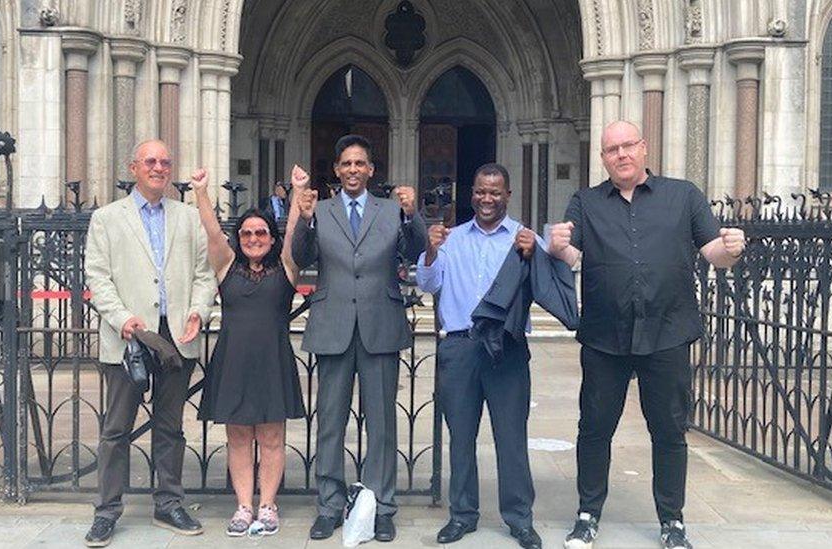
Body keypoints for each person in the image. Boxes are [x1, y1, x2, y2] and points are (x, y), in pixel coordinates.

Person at [549, 121, 746, 549]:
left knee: (669, 431)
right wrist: (558, 245)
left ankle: (672, 521)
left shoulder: (684, 196)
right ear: (602, 158)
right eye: (611, 150)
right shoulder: (585, 202)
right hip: (605, 335)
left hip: (667, 332)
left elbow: (713, 251)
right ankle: (587, 514)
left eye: (627, 146)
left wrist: (730, 250)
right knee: (595, 429)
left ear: (643, 148)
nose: (620, 155)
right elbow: (571, 255)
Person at [291, 134, 427, 542]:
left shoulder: (390, 210)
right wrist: (305, 218)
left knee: (382, 425)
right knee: (330, 421)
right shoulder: (322, 208)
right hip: (333, 324)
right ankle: (330, 505)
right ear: (336, 170)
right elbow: (301, 256)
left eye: (360, 164)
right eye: (346, 164)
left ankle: (381, 506)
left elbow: (414, 249)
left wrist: (412, 213)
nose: (353, 170)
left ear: (371, 170)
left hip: (380, 324)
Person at [83, 139, 218, 547]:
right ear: (134, 168)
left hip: (177, 336)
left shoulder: (189, 218)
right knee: (116, 428)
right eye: (151, 161)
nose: (159, 167)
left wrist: (199, 310)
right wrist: (124, 320)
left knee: (170, 426)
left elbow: (204, 274)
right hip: (129, 338)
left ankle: (169, 502)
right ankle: (106, 511)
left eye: (165, 162)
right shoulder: (107, 218)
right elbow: (98, 277)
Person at [416, 163, 545, 549]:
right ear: (471, 194)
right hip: (461, 347)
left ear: (507, 195)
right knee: (461, 437)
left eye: (495, 192)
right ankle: (462, 515)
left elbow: (546, 286)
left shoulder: (524, 239)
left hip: (507, 347)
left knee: (511, 437)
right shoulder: (452, 239)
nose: (486, 199)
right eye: (480, 191)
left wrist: (535, 255)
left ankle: (519, 519)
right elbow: (427, 283)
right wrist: (430, 248)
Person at [192, 166, 308, 537]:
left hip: (273, 361)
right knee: (239, 437)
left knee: (272, 438)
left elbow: (293, 233)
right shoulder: (226, 267)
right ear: (238, 238)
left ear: (270, 239)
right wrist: (201, 192)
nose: (254, 238)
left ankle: (268, 505)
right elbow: (211, 230)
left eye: (261, 233)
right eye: (247, 233)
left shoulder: (286, 268)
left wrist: (297, 190)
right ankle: (244, 506)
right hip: (234, 362)